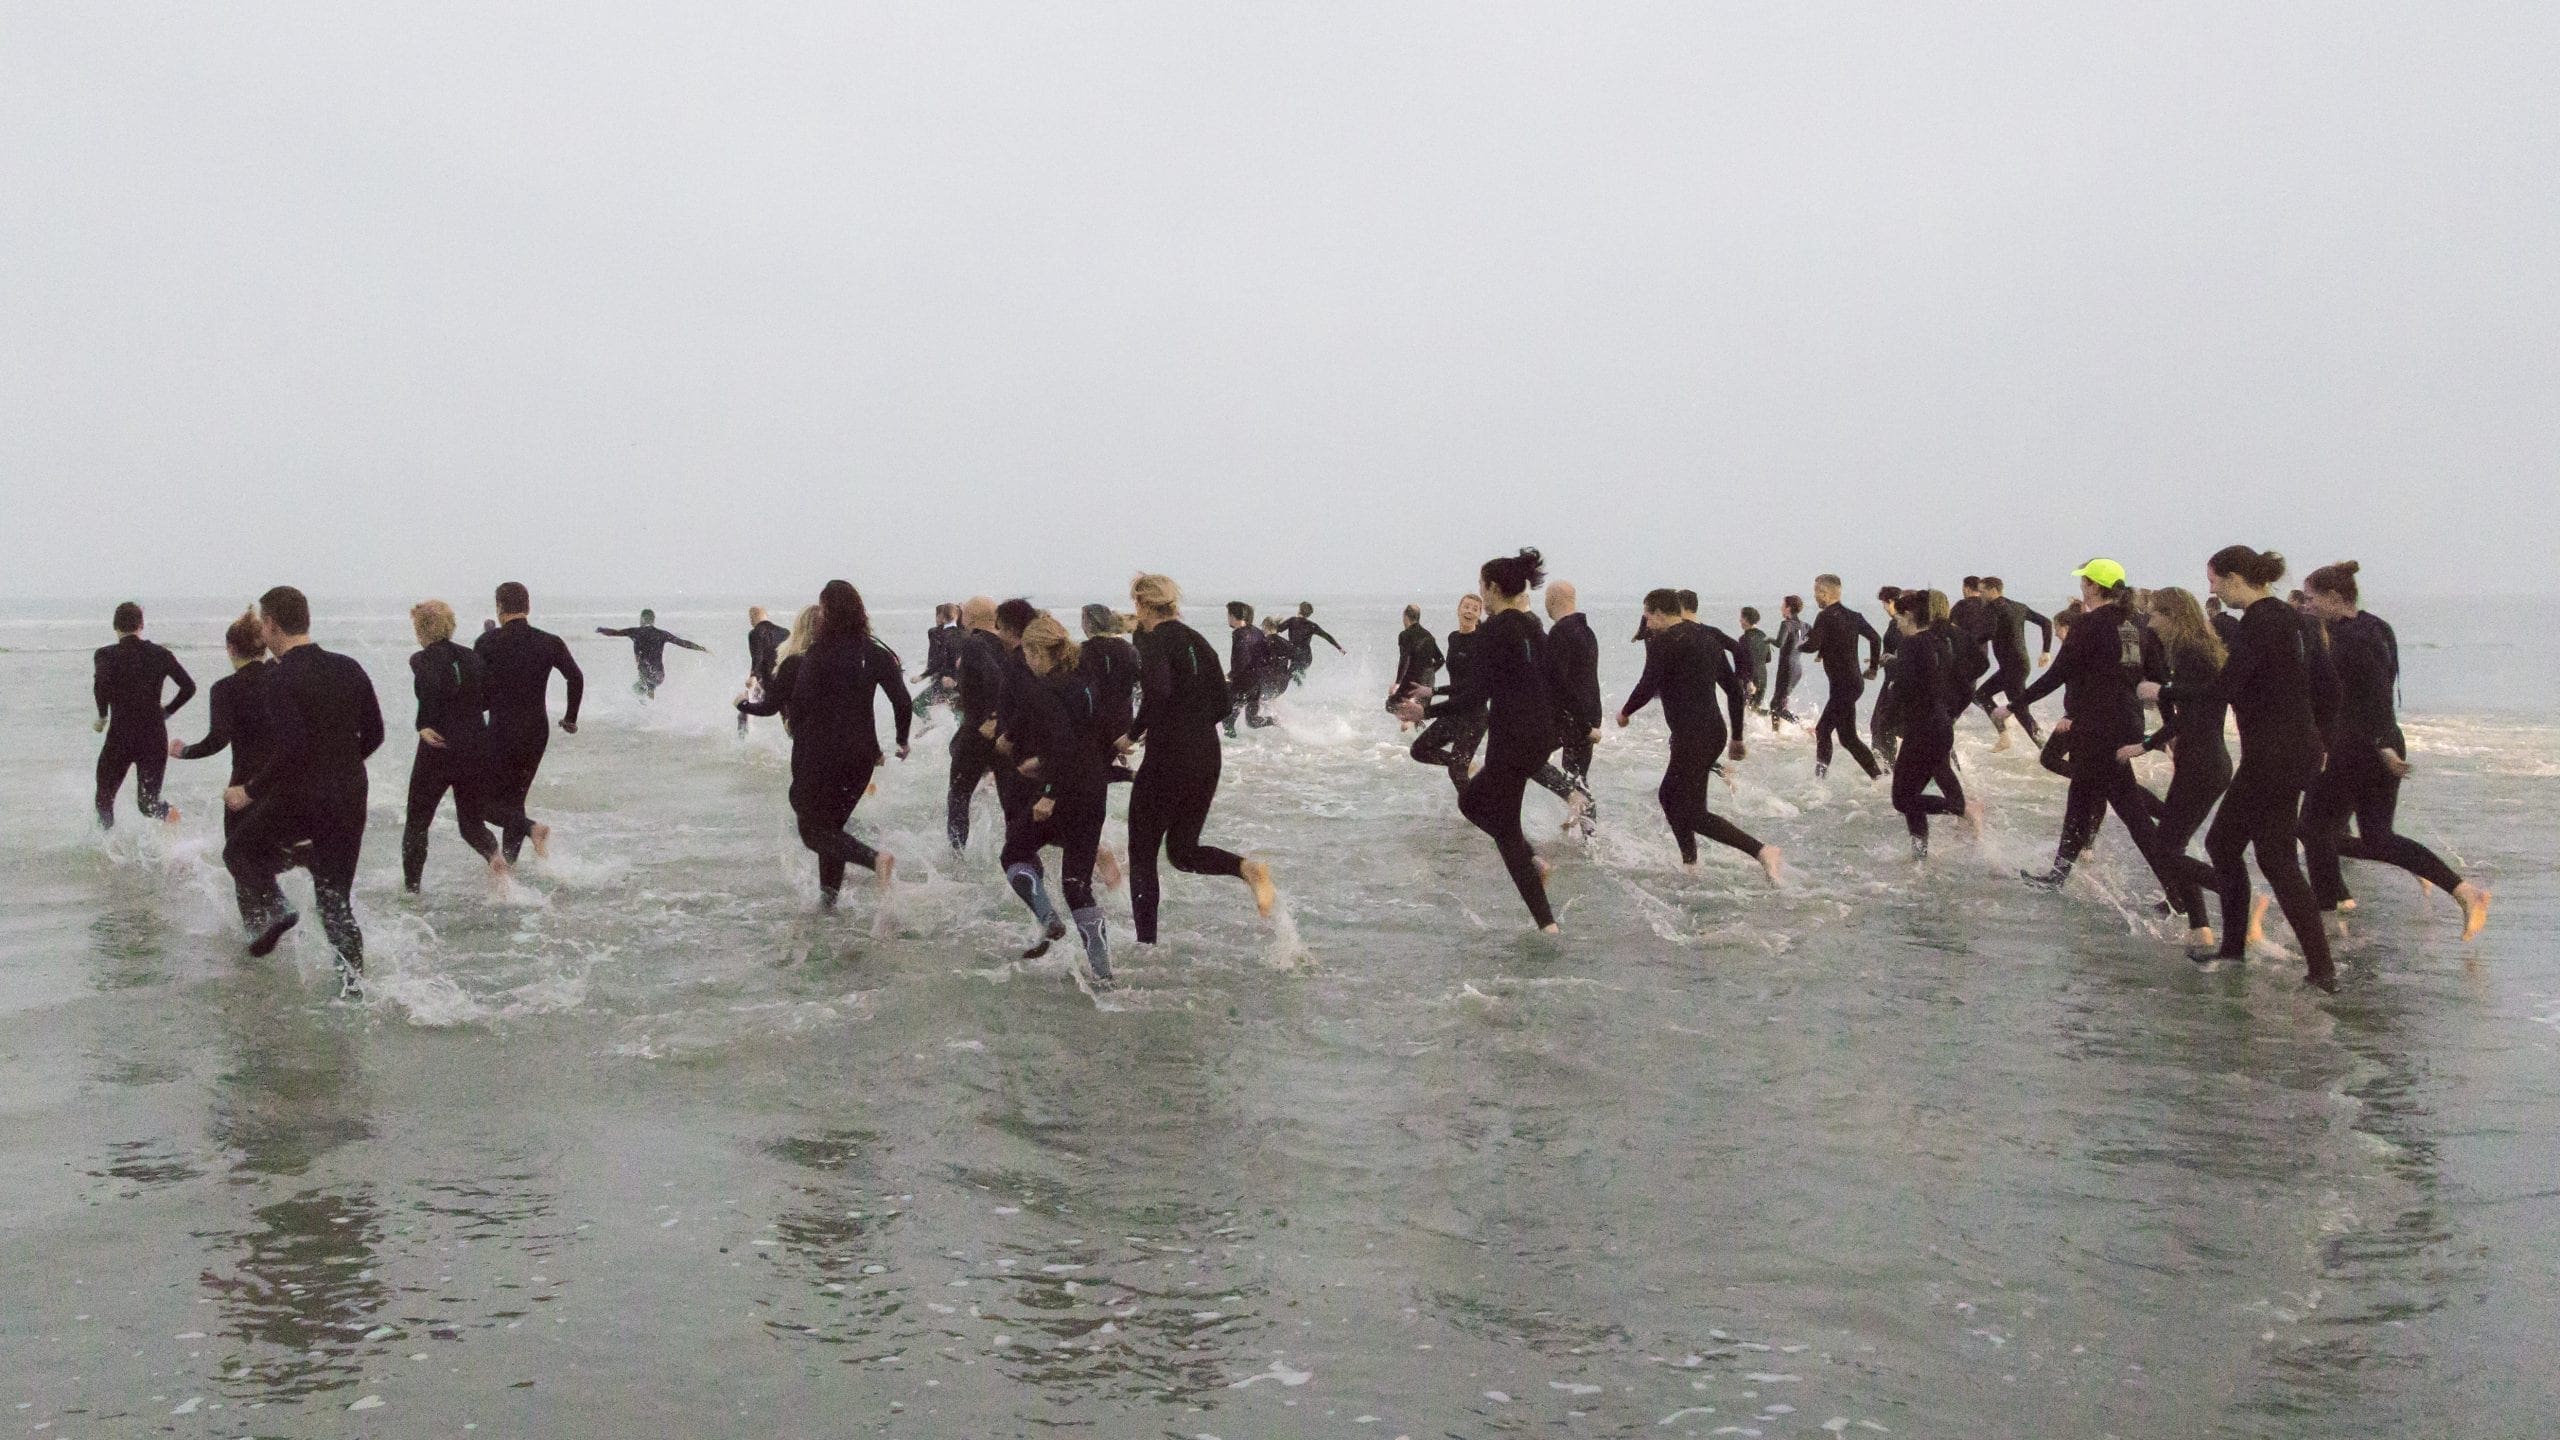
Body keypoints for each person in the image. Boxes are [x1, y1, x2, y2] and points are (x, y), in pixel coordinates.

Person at [2140, 547, 2337, 990]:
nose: (2210, 589)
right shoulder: (2295, 619)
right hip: (2292, 750)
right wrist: (2320, 739)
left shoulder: (2261, 621)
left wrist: (2162, 690)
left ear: (2234, 578)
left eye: (2213, 580)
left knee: (2231, 846)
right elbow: (2328, 685)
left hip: (2273, 754)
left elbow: (2224, 688)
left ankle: (2262, 958)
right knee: (2266, 854)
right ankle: (2302, 966)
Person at [2296, 561, 2490, 940]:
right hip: (2372, 741)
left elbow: (2376, 695)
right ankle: (2463, 891)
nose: (2307, 605)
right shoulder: (2375, 626)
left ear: (2335, 597)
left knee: (2313, 828)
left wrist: (2381, 745)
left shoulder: (2352, 640)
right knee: (2375, 837)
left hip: (2361, 745)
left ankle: (2325, 922)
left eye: (2312, 597)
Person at [223, 586, 384, 998]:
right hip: (350, 794)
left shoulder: (280, 678)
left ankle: (277, 907)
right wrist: (342, 763)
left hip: (303, 797)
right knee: (335, 902)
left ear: (272, 625)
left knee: (239, 851)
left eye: (263, 623)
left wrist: (250, 791)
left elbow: (291, 750)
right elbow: (376, 734)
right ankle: (353, 990)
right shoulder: (349, 667)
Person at [1400, 550, 1562, 932]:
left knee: (1502, 828)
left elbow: (1476, 694)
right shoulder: (1531, 625)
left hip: (1512, 739)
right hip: (1537, 736)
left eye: (1480, 586)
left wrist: (1427, 712)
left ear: (1491, 587)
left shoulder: (1495, 630)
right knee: (1472, 801)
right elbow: (1554, 678)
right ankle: (1532, 862)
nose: (1479, 594)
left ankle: (1547, 924)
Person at [2001, 560, 2180, 901]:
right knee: (2082, 800)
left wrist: (2012, 705)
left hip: (2096, 728)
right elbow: (2157, 680)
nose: (2082, 587)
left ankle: (2179, 892)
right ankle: (2057, 876)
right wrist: (2170, 730)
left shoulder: (2089, 625)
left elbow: (2057, 675)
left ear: (2094, 586)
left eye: (2085, 582)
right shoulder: (2137, 626)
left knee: (2132, 816)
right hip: (2126, 724)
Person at [1125, 573, 1276, 943]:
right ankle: (1246, 868)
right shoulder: (1198, 640)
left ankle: (1147, 946)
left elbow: (1157, 691)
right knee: (1182, 851)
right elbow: (1225, 702)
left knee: (1143, 855)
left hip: (1169, 757)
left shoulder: (1154, 640)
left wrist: (1132, 734)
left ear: (1142, 604)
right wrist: (1191, 727)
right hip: (1206, 753)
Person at [737, 583, 907, 908]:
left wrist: (742, 705)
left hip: (816, 756)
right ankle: (828, 903)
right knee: (832, 829)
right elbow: (890, 700)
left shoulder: (801, 662)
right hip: (860, 757)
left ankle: (874, 860)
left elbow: (783, 708)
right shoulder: (861, 654)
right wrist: (893, 743)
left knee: (811, 829)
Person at [1618, 589, 1783, 880]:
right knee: (1670, 796)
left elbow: (1647, 684)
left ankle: (1761, 851)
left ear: (1658, 613)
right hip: (1711, 731)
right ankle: (1691, 864)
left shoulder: (1664, 642)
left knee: (1691, 811)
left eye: (1647, 615)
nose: (1646, 622)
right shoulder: (1707, 638)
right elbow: (1733, 690)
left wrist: (1625, 712)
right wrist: (1737, 737)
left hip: (1693, 735)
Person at [2118, 586, 2228, 948]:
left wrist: (2160, 692)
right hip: (2204, 759)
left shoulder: (2194, 653)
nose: (2149, 622)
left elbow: (2204, 700)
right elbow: (2191, 714)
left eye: (2154, 615)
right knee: (2173, 846)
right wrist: (2146, 745)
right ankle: (2201, 929)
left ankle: (2233, 892)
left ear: (2173, 616)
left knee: (2166, 849)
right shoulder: (2196, 649)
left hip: (2203, 763)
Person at [1014, 615, 1117, 982]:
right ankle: (1103, 975)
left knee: (1014, 852)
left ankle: (1048, 922)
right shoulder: (1085, 684)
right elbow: (1089, 737)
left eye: (1027, 653)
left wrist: (1047, 792)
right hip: (1094, 788)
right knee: (1076, 885)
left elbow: (1060, 743)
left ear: (1037, 651)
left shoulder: (1046, 690)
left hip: (1065, 791)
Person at [400, 600, 513, 893]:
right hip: (476, 745)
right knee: (471, 825)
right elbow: (490, 696)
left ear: (421, 628)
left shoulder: (420, 659)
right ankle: (495, 858)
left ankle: (412, 891)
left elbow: (431, 684)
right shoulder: (473, 658)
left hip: (438, 748)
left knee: (417, 824)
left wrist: (423, 722)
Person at [169, 611, 276, 915]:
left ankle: (258, 932)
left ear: (231, 649)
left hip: (243, 787)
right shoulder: (280, 677)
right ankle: (280, 922)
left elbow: (217, 740)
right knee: (267, 858)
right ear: (263, 646)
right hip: (283, 781)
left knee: (240, 860)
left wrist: (183, 751)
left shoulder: (225, 689)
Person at [475, 583, 577, 862]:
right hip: (535, 732)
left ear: (498, 607)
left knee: (478, 803)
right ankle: (510, 865)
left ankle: (532, 830)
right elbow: (575, 677)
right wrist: (570, 719)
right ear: (527, 607)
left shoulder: (487, 642)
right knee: (515, 800)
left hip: (500, 730)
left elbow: (481, 696)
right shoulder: (549, 641)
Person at [1886, 591, 1982, 857]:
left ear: (1909, 615)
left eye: (1899, 618)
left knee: (1902, 799)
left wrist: (1893, 688)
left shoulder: (1912, 644)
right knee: (1912, 795)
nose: (1897, 624)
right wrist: (1948, 714)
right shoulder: (1940, 642)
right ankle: (1919, 854)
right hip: (1939, 727)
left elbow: (1903, 688)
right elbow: (1965, 687)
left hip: (1922, 730)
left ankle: (1963, 809)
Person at [92, 601, 195, 828]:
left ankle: (106, 847)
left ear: (114, 626)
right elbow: (189, 687)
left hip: (120, 738)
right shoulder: (161, 654)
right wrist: (167, 711)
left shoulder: (105, 655)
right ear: (141, 625)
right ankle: (176, 824)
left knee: (104, 798)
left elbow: (101, 684)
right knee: (148, 804)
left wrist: (102, 716)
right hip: (153, 737)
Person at [942, 597, 1012, 853]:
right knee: (1010, 799)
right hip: (1006, 733)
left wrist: (989, 717)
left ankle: (957, 853)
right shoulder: (1008, 646)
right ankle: (1020, 848)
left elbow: (995, 677)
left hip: (978, 733)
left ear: (969, 617)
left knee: (959, 794)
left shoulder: (974, 643)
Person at [1800, 576, 1883, 779]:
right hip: (1852, 683)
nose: (1814, 596)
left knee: (1822, 730)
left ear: (1824, 593)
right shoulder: (1854, 616)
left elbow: (1812, 646)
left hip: (1844, 686)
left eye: (1816, 592)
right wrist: (1873, 668)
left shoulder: (1826, 616)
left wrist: (1795, 645)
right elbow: (1875, 637)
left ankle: (1819, 782)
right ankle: (1879, 777)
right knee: (1848, 738)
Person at [1408, 594, 1487, 792]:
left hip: (1474, 715)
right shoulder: (1454, 638)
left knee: (1457, 772)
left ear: (1479, 615)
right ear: (1458, 610)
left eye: (1474, 609)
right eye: (1466, 607)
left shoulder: (1481, 642)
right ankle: (1467, 766)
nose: (1469, 611)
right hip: (1453, 712)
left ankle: (1477, 813)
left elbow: (1471, 685)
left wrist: (1433, 691)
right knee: (1419, 750)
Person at [1543, 581, 1602, 834]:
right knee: (1576, 777)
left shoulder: (1561, 632)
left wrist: (1583, 726)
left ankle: (1578, 808)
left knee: (1527, 756)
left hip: (1572, 718)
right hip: (1588, 713)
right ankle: (1590, 839)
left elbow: (1559, 684)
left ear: (1553, 599)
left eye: (1546, 597)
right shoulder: (1586, 631)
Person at [1973, 577, 2054, 750]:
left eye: (1982, 591)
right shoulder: (2019, 606)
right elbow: (2046, 623)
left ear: (1994, 591)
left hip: (2012, 668)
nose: (1980, 595)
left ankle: (2046, 749)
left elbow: (1986, 634)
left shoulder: (1992, 609)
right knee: (1983, 696)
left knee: (2019, 709)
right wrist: (2046, 651)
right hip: (2019, 664)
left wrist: (1967, 640)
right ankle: (2007, 737)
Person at [595, 609, 707, 700]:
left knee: (639, 688)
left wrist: (602, 630)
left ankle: (647, 713)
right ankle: (650, 711)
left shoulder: (635, 632)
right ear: (653, 620)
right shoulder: (662, 634)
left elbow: (615, 632)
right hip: (659, 675)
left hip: (648, 673)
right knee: (640, 689)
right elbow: (682, 643)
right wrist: (701, 648)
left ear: (642, 619)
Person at [1224, 602, 1277, 734]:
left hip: (1243, 683)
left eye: (1228, 615)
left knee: (1227, 721)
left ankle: (1230, 752)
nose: (1228, 618)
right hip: (1256, 683)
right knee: (1252, 721)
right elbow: (1267, 656)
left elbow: (1241, 659)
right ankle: (1276, 721)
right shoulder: (1258, 632)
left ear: (1234, 616)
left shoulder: (1240, 635)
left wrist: (1230, 676)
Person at [1389, 604, 1445, 726]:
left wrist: (1398, 683)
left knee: (1390, 705)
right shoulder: (1428, 635)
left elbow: (1404, 660)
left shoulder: (1405, 635)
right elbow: (1441, 660)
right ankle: (1413, 720)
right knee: (1420, 712)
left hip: (1413, 678)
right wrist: (1430, 671)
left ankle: (1407, 719)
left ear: (1405, 617)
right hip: (1428, 681)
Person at [739, 606, 790, 736]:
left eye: (750, 618)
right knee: (787, 716)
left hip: (765, 680)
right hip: (785, 679)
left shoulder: (755, 633)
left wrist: (753, 676)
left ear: (752, 618)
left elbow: (758, 656)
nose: (750, 621)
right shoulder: (785, 632)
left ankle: (742, 742)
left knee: (744, 709)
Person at [912, 602, 965, 718]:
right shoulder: (963, 633)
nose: (936, 618)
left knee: (916, 705)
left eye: (938, 615)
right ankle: (943, 727)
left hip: (947, 682)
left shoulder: (935, 633)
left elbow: (942, 659)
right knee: (956, 710)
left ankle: (931, 724)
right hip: (953, 682)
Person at [1275, 602, 1344, 686]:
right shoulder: (1312, 625)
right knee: (1297, 675)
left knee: (1290, 676)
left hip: (1296, 655)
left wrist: (1277, 621)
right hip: (1307, 657)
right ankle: (1302, 692)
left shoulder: (1292, 621)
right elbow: (1327, 636)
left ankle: (1294, 693)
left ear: (1299, 610)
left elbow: (1276, 630)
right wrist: (1340, 648)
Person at [1768, 595, 1808, 730]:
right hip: (1797, 668)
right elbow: (1816, 641)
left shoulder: (1786, 624)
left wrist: (1767, 640)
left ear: (1788, 608)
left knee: (1776, 705)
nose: (1781, 608)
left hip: (1787, 668)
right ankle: (1776, 733)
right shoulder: (1805, 626)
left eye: (1783, 606)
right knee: (1779, 703)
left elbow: (1779, 643)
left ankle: (1803, 727)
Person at [1737, 607, 1772, 713]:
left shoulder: (1744, 639)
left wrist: (1749, 681)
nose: (1740, 620)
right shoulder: (1764, 636)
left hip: (1750, 680)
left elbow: (1747, 661)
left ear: (1747, 620)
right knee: (1754, 710)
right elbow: (1768, 658)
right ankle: (1778, 715)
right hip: (1763, 678)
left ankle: (1775, 714)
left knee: (1742, 711)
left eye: (1741, 618)